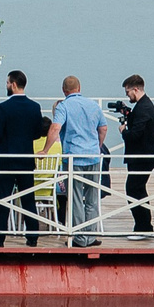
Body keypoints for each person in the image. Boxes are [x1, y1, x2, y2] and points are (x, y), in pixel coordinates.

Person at [0, 70, 46, 247]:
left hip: (7, 159)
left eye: (7, 83)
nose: (6, 86)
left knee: (3, 199)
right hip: (26, 158)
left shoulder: (4, 107)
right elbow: (37, 133)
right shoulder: (34, 107)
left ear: (12, 84)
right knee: (28, 198)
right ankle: (33, 236)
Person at [50, 75, 111, 246]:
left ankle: (79, 237)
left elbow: (56, 127)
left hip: (73, 158)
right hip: (92, 156)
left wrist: (45, 149)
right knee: (91, 198)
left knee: (76, 197)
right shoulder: (93, 104)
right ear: (79, 87)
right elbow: (103, 128)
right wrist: (97, 145)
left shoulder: (63, 106)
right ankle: (90, 236)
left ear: (64, 90)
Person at [118, 75, 154, 235]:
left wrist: (123, 131)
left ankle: (144, 227)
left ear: (135, 89)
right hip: (143, 155)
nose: (127, 95)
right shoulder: (144, 105)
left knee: (134, 189)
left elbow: (135, 135)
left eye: (128, 92)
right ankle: (143, 226)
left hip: (143, 156)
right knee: (137, 189)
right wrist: (129, 115)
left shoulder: (144, 108)